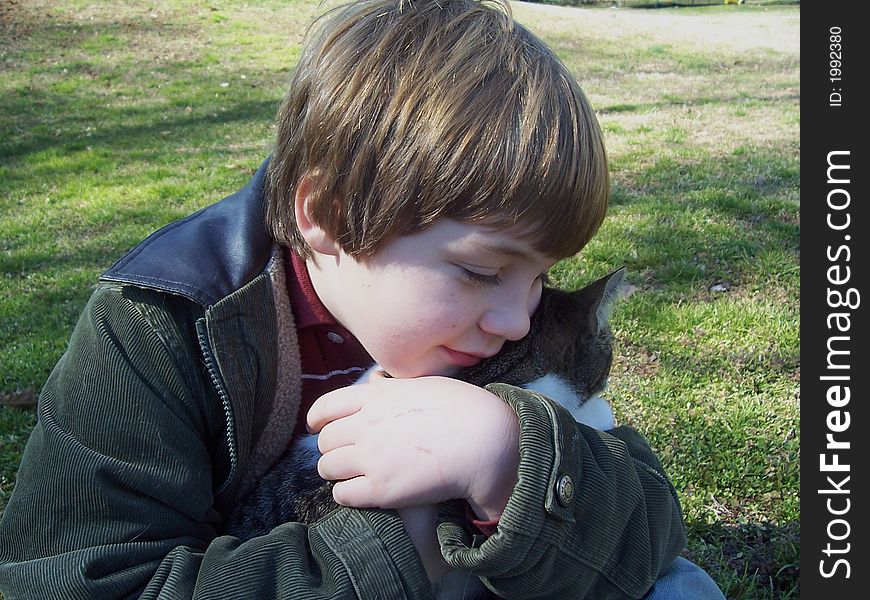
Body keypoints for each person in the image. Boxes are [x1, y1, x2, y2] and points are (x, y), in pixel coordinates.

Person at [0, 0, 724, 598]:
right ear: (330, 216)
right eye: (479, 271)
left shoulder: (500, 332)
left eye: (539, 276)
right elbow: (86, 580)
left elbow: (650, 527)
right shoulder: (160, 327)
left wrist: (514, 464)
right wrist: (409, 541)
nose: (517, 318)